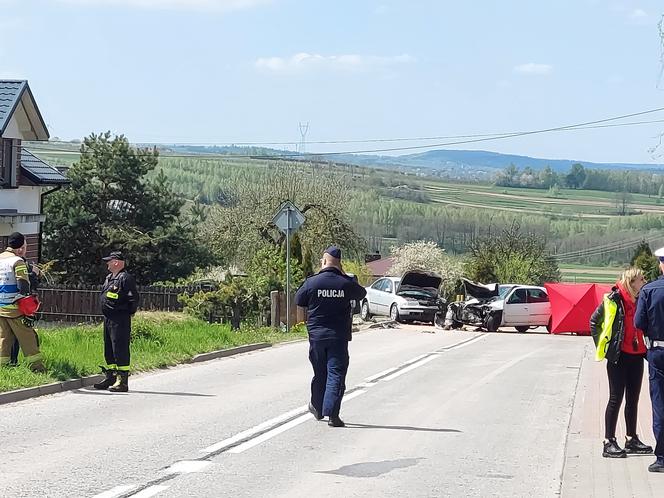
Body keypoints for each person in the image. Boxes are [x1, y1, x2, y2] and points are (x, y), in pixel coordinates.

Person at [295, 246, 366, 427]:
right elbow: (362, 293)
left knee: (320, 374)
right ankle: (332, 415)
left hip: (317, 338)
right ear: (339, 263)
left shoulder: (312, 282)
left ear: (324, 261)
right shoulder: (345, 283)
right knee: (336, 374)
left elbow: (298, 300)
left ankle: (318, 408)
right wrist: (342, 274)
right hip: (338, 337)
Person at [590, 267, 653, 458]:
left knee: (633, 399)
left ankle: (631, 438)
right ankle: (609, 441)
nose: (644, 282)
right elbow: (594, 321)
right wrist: (606, 348)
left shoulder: (641, 299)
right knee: (615, 398)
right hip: (619, 356)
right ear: (632, 282)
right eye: (641, 279)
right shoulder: (613, 299)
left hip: (637, 354)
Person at [635, 249, 664, 472]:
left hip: (658, 352)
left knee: (659, 403)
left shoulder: (649, 290)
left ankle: (662, 457)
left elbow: (638, 323)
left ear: (661, 265)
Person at [94, 251, 139, 393]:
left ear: (117, 262)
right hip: (108, 318)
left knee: (120, 348)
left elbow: (133, 298)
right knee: (109, 349)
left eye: (109, 261)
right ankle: (111, 376)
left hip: (120, 318)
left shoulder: (125, 278)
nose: (107, 263)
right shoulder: (109, 277)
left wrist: (128, 313)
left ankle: (123, 381)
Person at [0, 232, 45, 372]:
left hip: (0, 308)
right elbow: (23, 287)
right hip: (15, 310)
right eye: (25, 247)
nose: (25, 250)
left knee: (3, 340)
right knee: (28, 338)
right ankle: (37, 368)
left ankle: (3, 368)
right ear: (20, 248)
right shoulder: (17, 261)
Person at [10, 259, 41, 365]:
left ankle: (12, 362)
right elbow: (25, 287)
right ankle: (13, 362)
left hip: (14, 306)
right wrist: (33, 275)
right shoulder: (17, 264)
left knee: (13, 336)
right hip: (17, 307)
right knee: (19, 336)